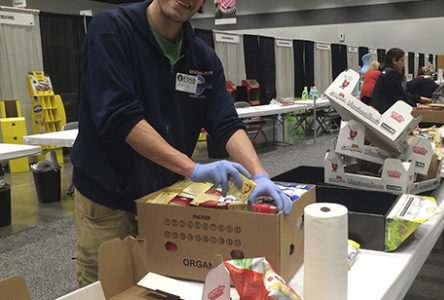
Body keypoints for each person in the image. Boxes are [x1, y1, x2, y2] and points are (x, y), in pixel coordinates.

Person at [72, 0, 292, 287]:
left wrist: (260, 174)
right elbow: (120, 117)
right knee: (107, 287)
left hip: (163, 199)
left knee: (161, 282)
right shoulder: (112, 31)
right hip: (108, 197)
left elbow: (225, 123)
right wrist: (193, 169)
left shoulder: (202, 58)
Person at [370, 48, 432, 114]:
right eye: (402, 60)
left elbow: (400, 93)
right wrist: (414, 105)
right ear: (394, 61)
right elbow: (398, 96)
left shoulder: (386, 71)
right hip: (384, 110)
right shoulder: (392, 73)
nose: (404, 64)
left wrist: (418, 98)